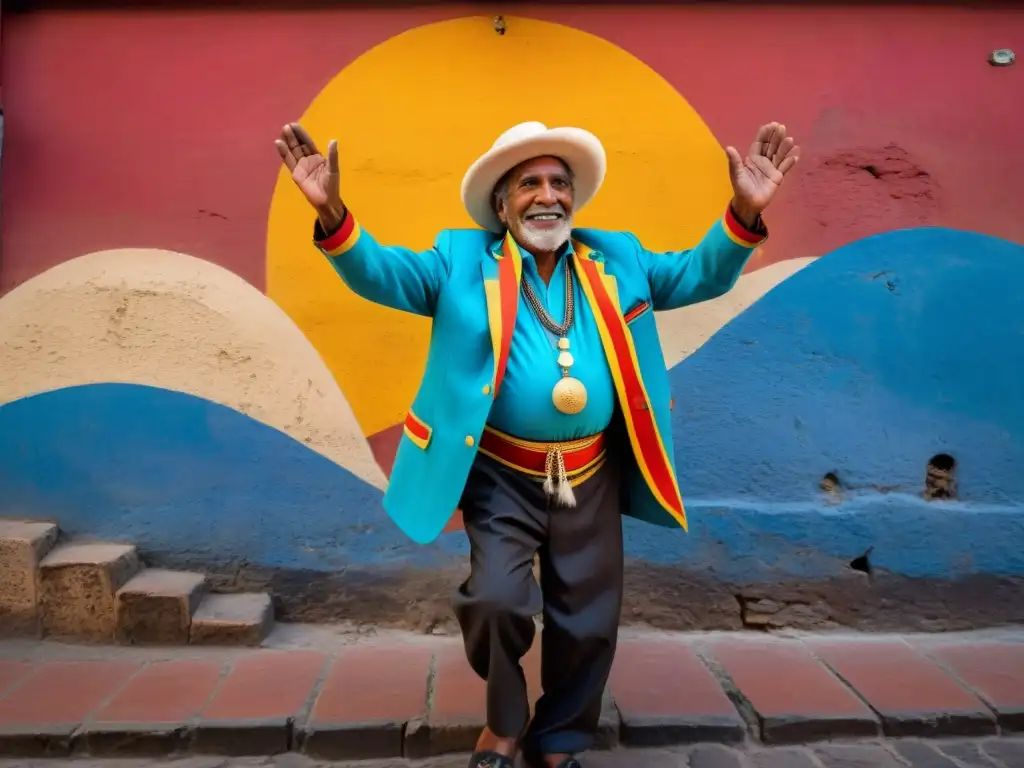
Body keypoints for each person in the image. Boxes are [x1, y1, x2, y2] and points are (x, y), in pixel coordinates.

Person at [275, 119, 800, 768]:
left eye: (559, 183)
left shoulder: (619, 257)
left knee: (587, 619)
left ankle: (560, 739)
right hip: (502, 474)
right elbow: (381, 273)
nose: (547, 195)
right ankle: (503, 722)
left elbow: (699, 275)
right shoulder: (459, 261)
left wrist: (745, 210)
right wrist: (331, 212)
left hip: (591, 473)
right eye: (529, 183)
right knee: (495, 601)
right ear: (502, 205)